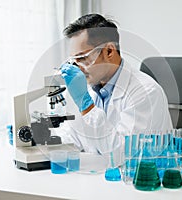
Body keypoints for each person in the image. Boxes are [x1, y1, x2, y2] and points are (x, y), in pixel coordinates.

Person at [59, 14, 172, 163]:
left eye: (82, 58)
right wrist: (38, 139)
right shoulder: (87, 89)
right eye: (73, 61)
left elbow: (120, 154)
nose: (77, 67)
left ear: (109, 51)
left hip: (139, 180)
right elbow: (72, 137)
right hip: (99, 177)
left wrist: (86, 107)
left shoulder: (146, 92)